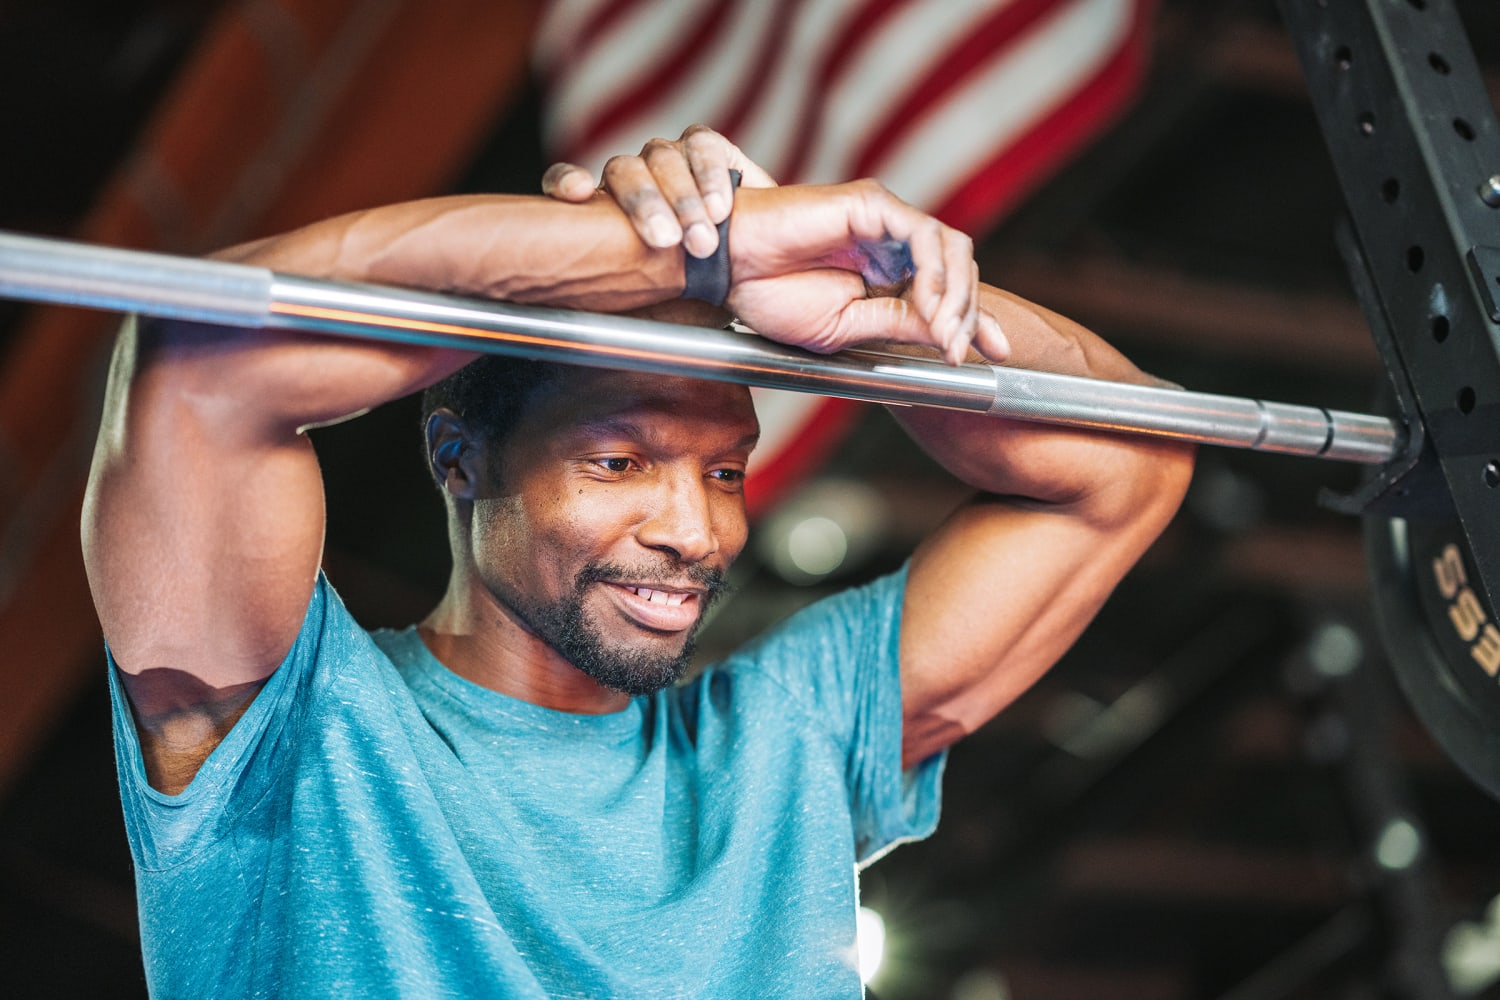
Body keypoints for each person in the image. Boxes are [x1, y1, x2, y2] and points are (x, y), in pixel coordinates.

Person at [83, 127, 1193, 998]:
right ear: (459, 457)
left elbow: (1135, 460)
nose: (694, 533)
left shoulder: (787, 740)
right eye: (619, 461)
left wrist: (875, 315)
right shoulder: (291, 730)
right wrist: (680, 257)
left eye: (726, 471)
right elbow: (196, 365)